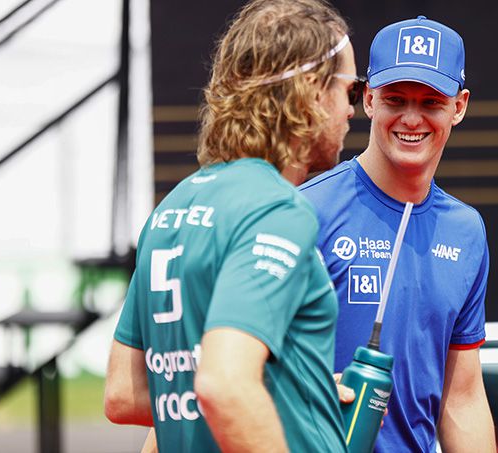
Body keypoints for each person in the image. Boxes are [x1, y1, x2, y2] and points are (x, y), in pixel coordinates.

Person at [103, 0, 365, 451]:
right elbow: (224, 384)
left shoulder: (175, 206)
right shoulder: (276, 210)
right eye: (351, 90)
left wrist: (303, 393)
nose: (351, 110)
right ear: (311, 92)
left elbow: (126, 394)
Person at [300, 16, 496, 452]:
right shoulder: (305, 211)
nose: (411, 118)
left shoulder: (465, 231)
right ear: (369, 99)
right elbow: (236, 368)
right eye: (395, 99)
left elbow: (462, 397)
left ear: (459, 107)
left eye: (431, 102)